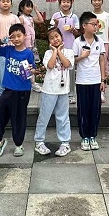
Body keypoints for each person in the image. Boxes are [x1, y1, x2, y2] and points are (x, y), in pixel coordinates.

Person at [0, 23, 35, 157]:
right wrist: (1, 41)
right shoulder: (8, 49)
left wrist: (31, 70)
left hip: (23, 91)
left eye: (19, 36)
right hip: (8, 90)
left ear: (24, 36)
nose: (16, 39)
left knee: (18, 117)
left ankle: (19, 145)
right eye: (13, 37)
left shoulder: (28, 53)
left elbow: (32, 70)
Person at [34, 27, 74, 157]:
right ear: (49, 41)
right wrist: (54, 51)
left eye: (57, 36)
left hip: (63, 90)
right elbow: (50, 66)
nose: (55, 39)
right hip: (49, 90)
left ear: (61, 37)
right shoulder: (47, 53)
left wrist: (59, 51)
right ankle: (39, 141)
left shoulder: (69, 51)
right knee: (44, 116)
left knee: (63, 117)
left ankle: (65, 143)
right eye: (51, 38)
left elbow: (67, 64)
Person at [72, 11, 107, 151]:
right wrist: (82, 56)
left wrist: (103, 80)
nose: (96, 26)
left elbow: (102, 60)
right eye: (93, 24)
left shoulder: (99, 41)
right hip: (82, 81)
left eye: (96, 24)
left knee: (95, 109)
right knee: (83, 110)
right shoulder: (77, 41)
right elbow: (72, 61)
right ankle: (84, 137)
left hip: (96, 80)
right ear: (84, 25)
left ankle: (93, 136)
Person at [50, 0, 80, 104]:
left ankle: (71, 94)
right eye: (63, 2)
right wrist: (56, 24)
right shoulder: (56, 16)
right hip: (58, 47)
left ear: (71, 4)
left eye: (68, 2)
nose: (65, 4)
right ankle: (58, 92)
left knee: (71, 71)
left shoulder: (74, 17)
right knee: (58, 70)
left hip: (70, 47)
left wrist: (73, 30)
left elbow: (77, 33)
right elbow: (51, 31)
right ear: (60, 3)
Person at [18, 0, 45, 93]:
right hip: (24, 45)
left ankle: (32, 83)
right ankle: (29, 83)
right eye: (27, 6)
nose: (29, 9)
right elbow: (19, 31)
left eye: (31, 7)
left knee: (31, 64)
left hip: (32, 45)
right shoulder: (21, 18)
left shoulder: (30, 18)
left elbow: (41, 20)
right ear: (22, 8)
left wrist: (36, 10)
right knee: (25, 64)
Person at [91, 0, 109, 104]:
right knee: (94, 66)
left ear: (102, 1)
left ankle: (102, 91)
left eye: (99, 0)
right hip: (92, 43)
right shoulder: (89, 15)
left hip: (104, 43)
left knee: (104, 67)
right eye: (95, 0)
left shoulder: (107, 16)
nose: (97, 2)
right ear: (91, 2)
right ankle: (94, 90)